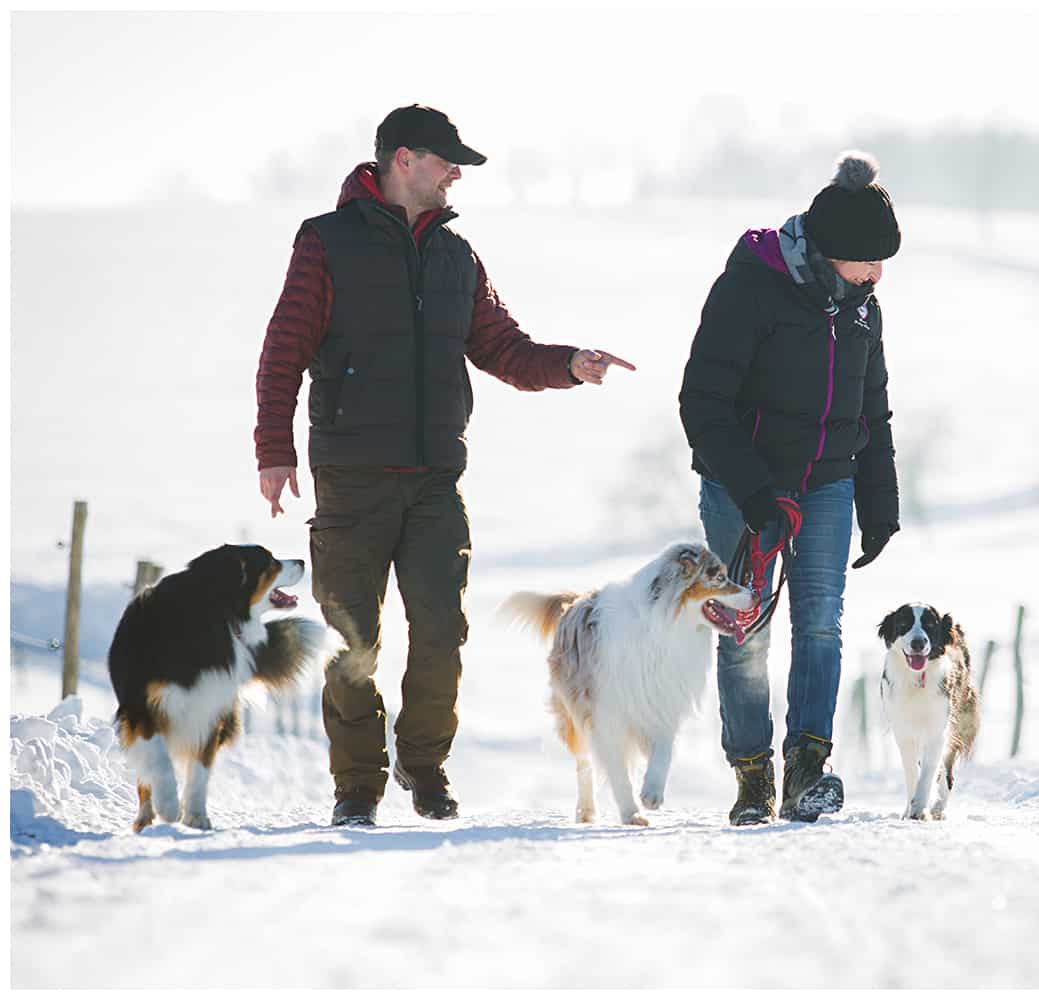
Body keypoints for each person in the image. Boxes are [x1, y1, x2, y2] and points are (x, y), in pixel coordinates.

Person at [254, 105, 633, 827]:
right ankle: (357, 787)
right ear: (403, 159)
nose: (457, 173)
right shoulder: (326, 243)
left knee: (440, 635)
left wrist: (569, 365)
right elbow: (284, 349)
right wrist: (274, 449)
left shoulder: (457, 255)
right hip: (352, 477)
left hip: (435, 481)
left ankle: (424, 770)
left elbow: (501, 346)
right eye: (446, 161)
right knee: (352, 642)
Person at [678, 151, 901, 825]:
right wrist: (754, 498)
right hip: (740, 486)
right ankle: (751, 775)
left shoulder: (860, 308)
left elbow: (873, 409)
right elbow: (703, 404)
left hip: (828, 485)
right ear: (833, 253)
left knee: (821, 624)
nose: (879, 275)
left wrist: (879, 502)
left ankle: (807, 769)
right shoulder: (749, 290)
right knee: (747, 631)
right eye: (870, 261)